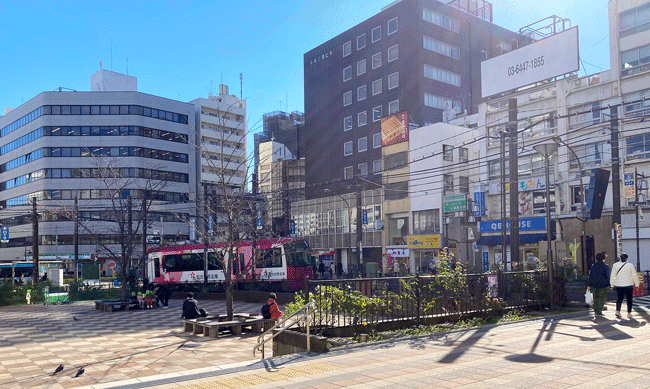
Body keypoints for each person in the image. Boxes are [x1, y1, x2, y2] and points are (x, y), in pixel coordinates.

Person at [610, 253, 640, 319]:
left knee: (619, 298)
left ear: (620, 258)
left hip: (618, 285)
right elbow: (634, 275)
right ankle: (629, 313)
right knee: (629, 299)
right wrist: (637, 284)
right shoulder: (630, 265)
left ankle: (618, 311)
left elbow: (612, 276)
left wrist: (612, 285)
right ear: (627, 258)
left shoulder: (615, 265)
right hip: (628, 285)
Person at [587, 252, 610, 317]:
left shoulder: (593, 266)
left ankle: (596, 309)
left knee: (596, 297)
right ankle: (599, 310)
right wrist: (610, 284)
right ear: (603, 258)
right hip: (603, 284)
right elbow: (608, 276)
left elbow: (591, 275)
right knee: (601, 297)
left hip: (594, 284)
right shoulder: (606, 266)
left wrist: (589, 284)